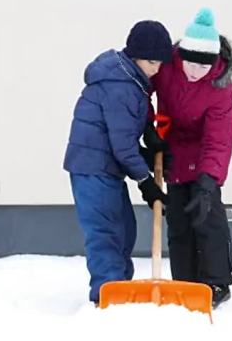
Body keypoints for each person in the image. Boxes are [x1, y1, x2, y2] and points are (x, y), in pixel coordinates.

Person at [63, 20, 172, 305]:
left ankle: (119, 287)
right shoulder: (120, 85)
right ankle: (107, 295)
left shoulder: (130, 79)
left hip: (105, 167)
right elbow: (122, 146)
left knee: (124, 229)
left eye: (160, 63)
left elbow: (123, 132)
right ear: (135, 55)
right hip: (91, 168)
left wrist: (149, 144)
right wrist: (146, 182)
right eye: (152, 62)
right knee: (106, 232)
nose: (156, 69)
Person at [143, 8, 232, 308]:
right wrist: (150, 129)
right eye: (190, 64)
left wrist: (210, 179)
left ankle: (216, 283)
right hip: (171, 147)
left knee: (206, 215)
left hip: (202, 151)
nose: (194, 72)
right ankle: (184, 281)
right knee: (179, 221)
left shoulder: (219, 86)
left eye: (202, 67)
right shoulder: (168, 66)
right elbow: (143, 91)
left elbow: (219, 137)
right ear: (180, 54)